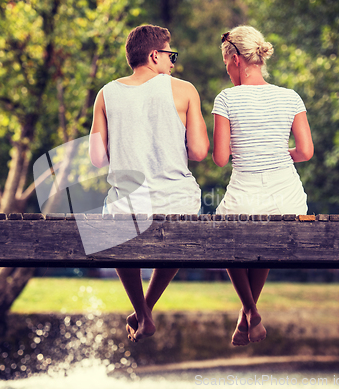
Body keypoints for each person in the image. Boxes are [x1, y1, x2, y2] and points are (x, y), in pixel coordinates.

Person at [89, 25, 209, 342]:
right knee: (179, 233)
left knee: (116, 228)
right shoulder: (185, 90)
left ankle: (143, 312)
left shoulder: (106, 94)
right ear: (154, 55)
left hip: (127, 206)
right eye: (171, 55)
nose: (173, 62)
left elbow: (97, 159)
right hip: (178, 201)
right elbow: (198, 151)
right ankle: (146, 310)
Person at [212, 25, 313, 346]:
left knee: (222, 235)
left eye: (227, 63)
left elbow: (219, 158)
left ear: (237, 59)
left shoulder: (227, 98)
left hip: (246, 197)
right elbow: (306, 152)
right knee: (267, 238)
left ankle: (249, 311)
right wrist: (279, 152)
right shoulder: (290, 97)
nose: (227, 70)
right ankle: (248, 317)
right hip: (289, 199)